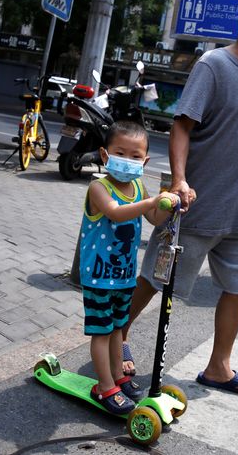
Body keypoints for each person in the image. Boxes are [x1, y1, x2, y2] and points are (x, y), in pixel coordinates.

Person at [121, 0, 238, 398]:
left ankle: (219, 367)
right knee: (155, 278)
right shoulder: (214, 65)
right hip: (196, 206)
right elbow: (182, 124)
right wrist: (178, 180)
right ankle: (117, 335)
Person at [79, 120, 179, 414]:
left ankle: (118, 377)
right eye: (120, 153)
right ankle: (104, 385)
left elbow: (154, 221)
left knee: (118, 328)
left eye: (135, 156)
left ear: (145, 160)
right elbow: (116, 213)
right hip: (99, 277)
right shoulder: (99, 187)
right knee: (101, 332)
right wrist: (152, 201)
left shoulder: (138, 185)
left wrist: (167, 207)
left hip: (123, 277)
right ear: (105, 154)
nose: (128, 160)